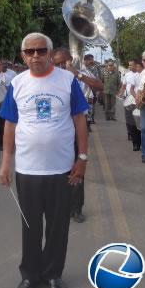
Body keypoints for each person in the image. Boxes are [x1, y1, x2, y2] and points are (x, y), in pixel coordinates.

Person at [0, 33, 89, 288]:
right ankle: (30, 276)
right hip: (27, 170)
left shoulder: (67, 81)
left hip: (61, 169)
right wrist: (6, 163)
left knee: (58, 227)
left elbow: (80, 121)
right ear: (23, 55)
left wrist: (82, 159)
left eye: (40, 50)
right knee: (31, 226)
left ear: (49, 53)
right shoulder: (17, 83)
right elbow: (10, 125)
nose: (35, 55)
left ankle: (53, 274)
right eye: (29, 51)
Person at [52, 48, 103, 224]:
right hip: (58, 130)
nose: (60, 66)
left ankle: (77, 208)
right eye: (56, 63)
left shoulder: (81, 72)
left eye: (63, 62)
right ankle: (62, 206)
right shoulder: (51, 78)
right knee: (60, 170)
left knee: (78, 167)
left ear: (70, 61)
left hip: (78, 127)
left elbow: (100, 86)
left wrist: (77, 75)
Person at [119, 59, 141, 150]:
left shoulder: (141, 75)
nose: (129, 67)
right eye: (129, 65)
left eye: (131, 65)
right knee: (130, 122)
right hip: (128, 101)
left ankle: (139, 141)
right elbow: (124, 86)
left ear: (136, 65)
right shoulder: (127, 74)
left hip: (138, 101)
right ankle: (134, 143)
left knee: (138, 124)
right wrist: (121, 93)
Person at [83, 54, 101, 122]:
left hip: (92, 91)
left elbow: (97, 79)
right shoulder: (80, 69)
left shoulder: (95, 69)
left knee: (91, 106)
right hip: (83, 92)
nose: (92, 63)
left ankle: (90, 120)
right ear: (85, 61)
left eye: (92, 61)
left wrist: (97, 91)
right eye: (91, 61)